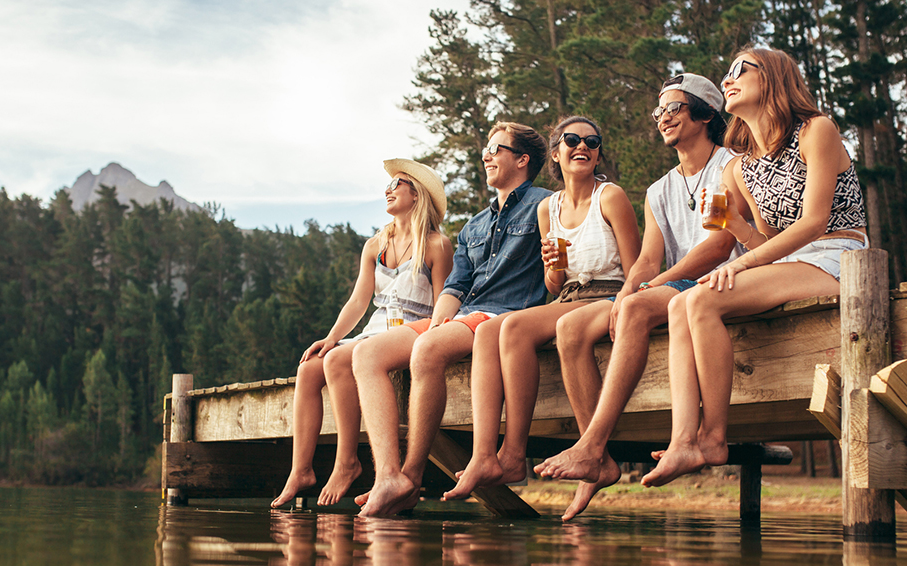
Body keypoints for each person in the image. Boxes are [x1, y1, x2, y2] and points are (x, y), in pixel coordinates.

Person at [639, 47, 867, 488]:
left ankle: (714, 437)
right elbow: (767, 243)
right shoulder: (739, 169)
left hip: (839, 254)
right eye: (726, 72)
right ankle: (684, 438)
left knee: (701, 299)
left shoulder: (816, 130)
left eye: (740, 69)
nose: (728, 78)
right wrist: (737, 226)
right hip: (792, 263)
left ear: (775, 78)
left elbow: (816, 222)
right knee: (681, 304)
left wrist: (740, 264)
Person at [532, 74, 747, 520]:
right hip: (681, 287)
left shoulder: (729, 165)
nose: (662, 118)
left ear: (706, 114)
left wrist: (647, 288)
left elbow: (719, 245)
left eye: (673, 109)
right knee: (606, 312)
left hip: (728, 280)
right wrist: (632, 289)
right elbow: (647, 260)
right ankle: (593, 450)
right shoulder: (660, 189)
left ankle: (593, 446)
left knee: (634, 304)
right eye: (658, 112)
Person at [350, 122, 551, 517]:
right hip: (464, 315)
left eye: (496, 149)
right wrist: (441, 321)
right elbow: (454, 287)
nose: (486, 156)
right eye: (486, 150)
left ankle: (411, 473)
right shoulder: (475, 224)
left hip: (505, 316)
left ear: (522, 160)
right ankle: (387, 475)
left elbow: (554, 275)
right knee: (367, 355)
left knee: (427, 349)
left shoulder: (544, 205)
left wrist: (440, 332)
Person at [441, 116, 640, 503]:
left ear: (598, 154)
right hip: (567, 298)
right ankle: (506, 455)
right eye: (571, 140)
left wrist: (626, 305)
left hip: (611, 294)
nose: (582, 146)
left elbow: (636, 268)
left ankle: (595, 453)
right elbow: (553, 285)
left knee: (562, 328)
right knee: (499, 329)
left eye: (591, 141)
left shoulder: (611, 196)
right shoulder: (548, 208)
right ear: (556, 154)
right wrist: (554, 266)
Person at [270, 159, 453, 508]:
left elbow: (446, 298)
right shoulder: (375, 244)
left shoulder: (436, 245)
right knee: (311, 366)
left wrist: (438, 337)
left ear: (417, 195)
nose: (388, 189)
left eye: (397, 184)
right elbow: (358, 301)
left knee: (340, 359)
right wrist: (330, 336)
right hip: (375, 329)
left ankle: (347, 462)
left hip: (418, 329)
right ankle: (301, 470)